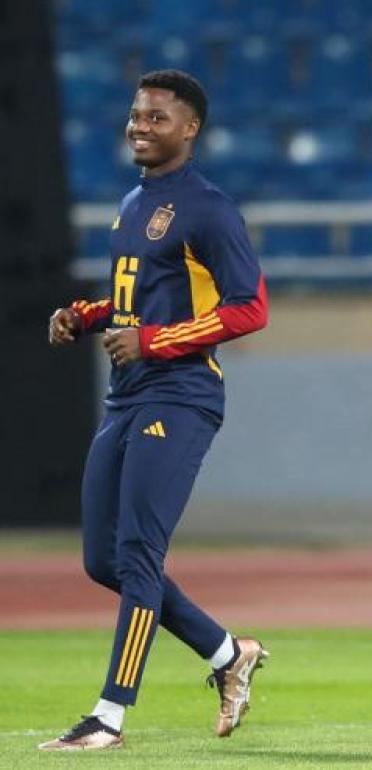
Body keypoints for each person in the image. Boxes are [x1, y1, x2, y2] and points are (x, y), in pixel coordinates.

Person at [41, 70, 269, 751]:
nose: (139, 126)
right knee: (101, 560)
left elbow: (250, 308)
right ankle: (229, 655)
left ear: (190, 128)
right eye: (136, 116)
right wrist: (86, 317)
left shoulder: (209, 208)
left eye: (156, 118)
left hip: (183, 392)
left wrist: (155, 340)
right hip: (130, 391)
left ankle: (109, 716)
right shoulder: (135, 202)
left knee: (139, 550)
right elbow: (137, 303)